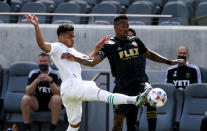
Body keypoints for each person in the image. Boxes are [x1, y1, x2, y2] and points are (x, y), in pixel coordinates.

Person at [25, 13, 153, 131]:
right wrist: (37, 27)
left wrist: (97, 48)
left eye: (73, 36)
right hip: (74, 85)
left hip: (68, 92)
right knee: (105, 95)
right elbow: (42, 45)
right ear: (61, 37)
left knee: (74, 124)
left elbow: (88, 59)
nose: (73, 39)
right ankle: (136, 99)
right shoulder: (58, 47)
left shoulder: (72, 51)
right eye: (70, 36)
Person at [61, 15, 184, 131]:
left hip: (140, 83)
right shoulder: (110, 45)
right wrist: (75, 58)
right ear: (115, 28)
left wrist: (169, 62)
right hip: (122, 88)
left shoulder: (135, 41)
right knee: (118, 125)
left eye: (127, 26)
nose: (126, 29)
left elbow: (149, 53)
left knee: (152, 95)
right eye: (123, 27)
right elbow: (93, 62)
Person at [21, 52, 62, 131]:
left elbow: (58, 93)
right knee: (25, 98)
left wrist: (51, 81)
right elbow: (28, 92)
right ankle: (27, 127)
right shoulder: (33, 73)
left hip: (51, 103)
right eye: (41, 61)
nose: (43, 63)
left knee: (57, 98)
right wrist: (36, 80)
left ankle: (52, 127)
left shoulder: (56, 74)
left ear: (49, 63)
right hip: (37, 103)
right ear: (38, 63)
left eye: (45, 61)